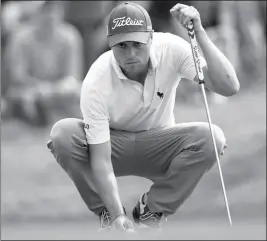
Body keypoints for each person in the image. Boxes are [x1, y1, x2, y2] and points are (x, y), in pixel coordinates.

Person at [47, 2, 239, 233]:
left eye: (137, 44)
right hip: (113, 145)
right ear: (110, 44)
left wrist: (198, 31)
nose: (130, 54)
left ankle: (150, 211)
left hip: (161, 145)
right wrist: (118, 214)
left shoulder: (171, 48)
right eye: (122, 46)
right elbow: (101, 161)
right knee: (63, 133)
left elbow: (229, 87)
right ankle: (108, 215)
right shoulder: (97, 79)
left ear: (151, 37)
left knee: (212, 137)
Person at [5, 1, 83, 126]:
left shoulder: (71, 36)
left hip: (59, 90)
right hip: (29, 89)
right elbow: (18, 76)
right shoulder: (20, 38)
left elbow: (72, 76)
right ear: (35, 13)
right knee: (22, 97)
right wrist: (40, 88)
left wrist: (51, 90)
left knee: (78, 92)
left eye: (55, 10)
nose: (50, 15)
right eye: (45, 10)